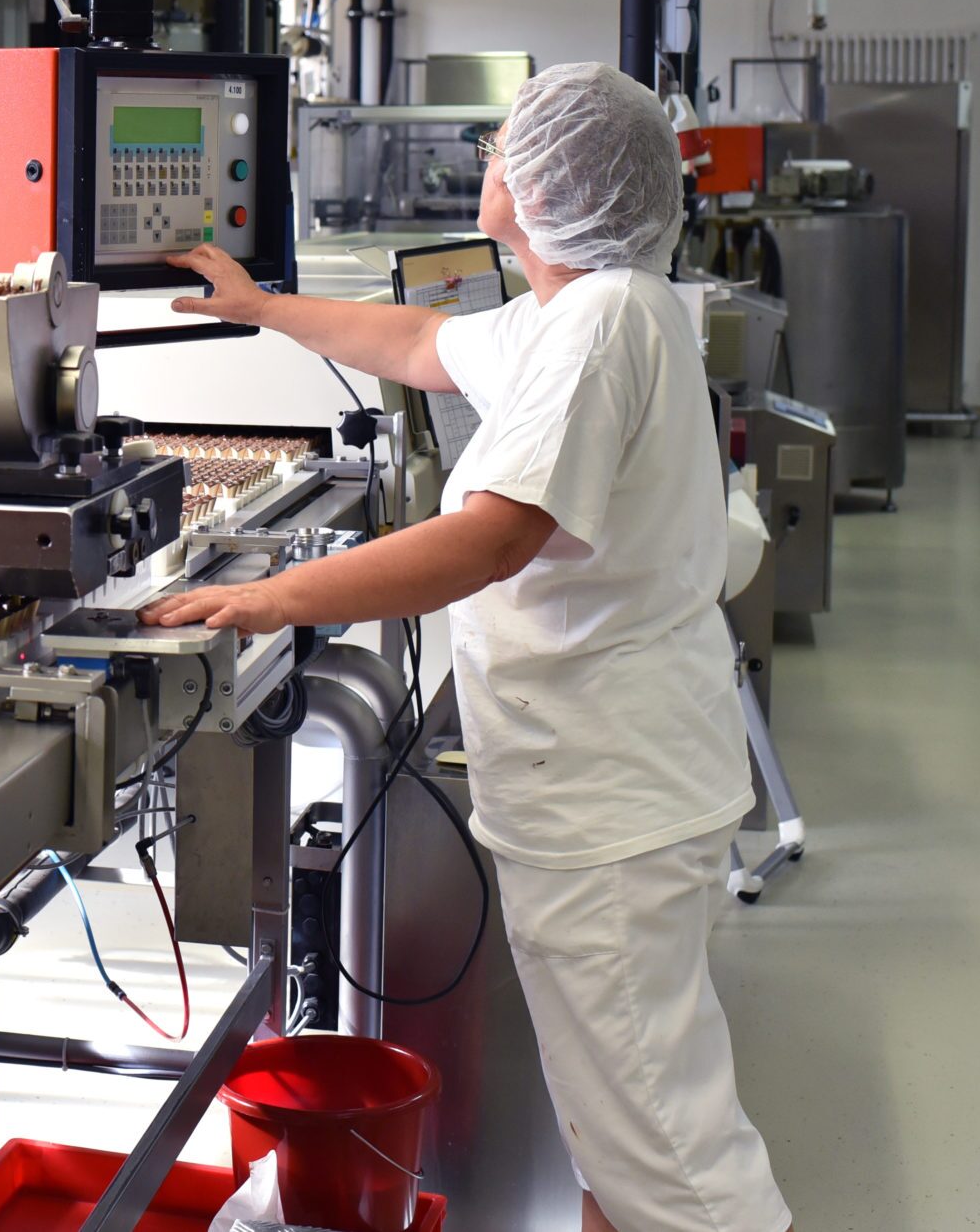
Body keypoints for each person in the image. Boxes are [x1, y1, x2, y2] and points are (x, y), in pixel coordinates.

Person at [143, 63, 791, 1232]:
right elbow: (425, 341)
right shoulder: (585, 306)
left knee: (676, 1165)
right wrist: (262, 308)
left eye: (506, 145)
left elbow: (490, 537)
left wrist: (275, 597)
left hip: (611, 808)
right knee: (623, 1132)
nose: (490, 157)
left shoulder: (595, 327)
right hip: (626, 783)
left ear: (545, 188)